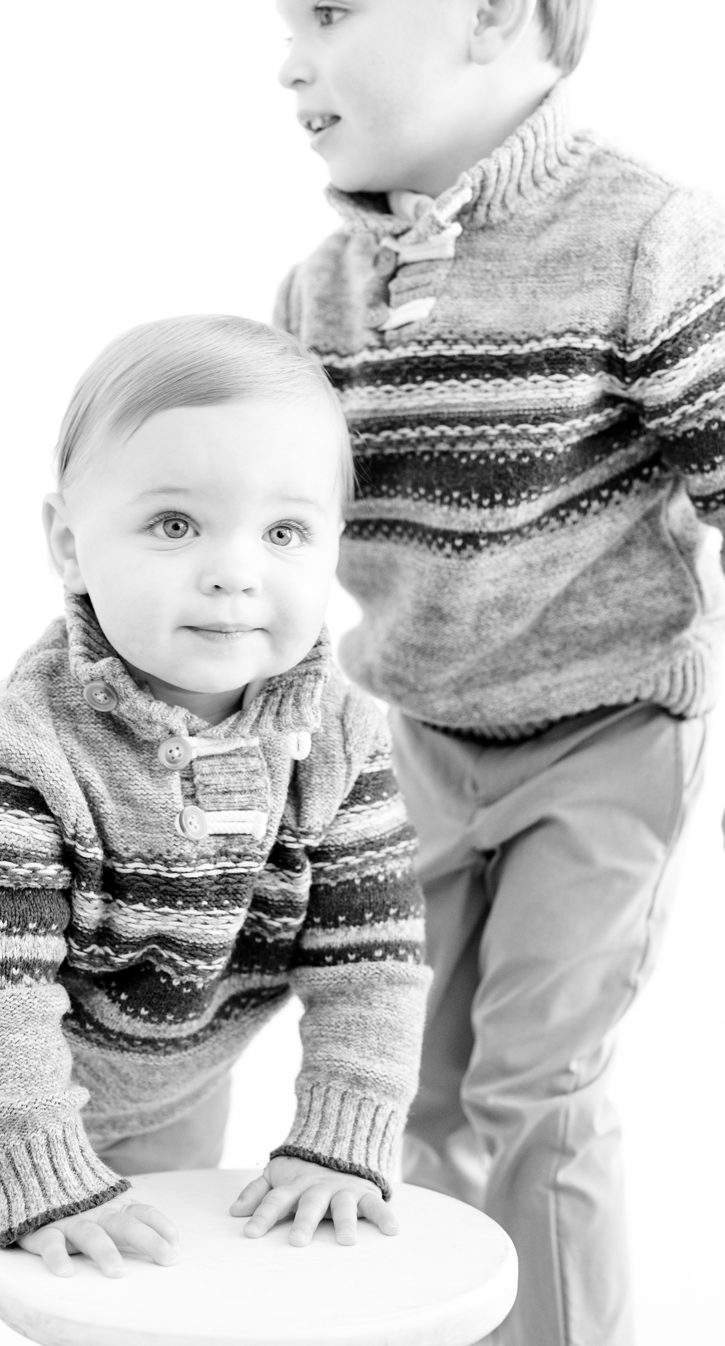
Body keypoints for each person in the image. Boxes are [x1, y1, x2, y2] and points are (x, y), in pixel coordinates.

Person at [0, 315, 430, 1346]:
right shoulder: (12, 745)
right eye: (174, 523)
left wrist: (341, 1136)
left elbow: (370, 962)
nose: (234, 571)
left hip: (175, 1078)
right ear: (70, 542)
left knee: (152, 1303)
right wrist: (39, 1170)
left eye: (284, 533)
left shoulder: (341, 737)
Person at [273, 2, 725, 1344]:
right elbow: (282, 537)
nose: (291, 58)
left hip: (607, 729)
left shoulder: (643, 236)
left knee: (537, 1085)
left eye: (330, 12)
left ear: (488, 15)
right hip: (419, 730)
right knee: (405, 1077)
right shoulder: (321, 295)